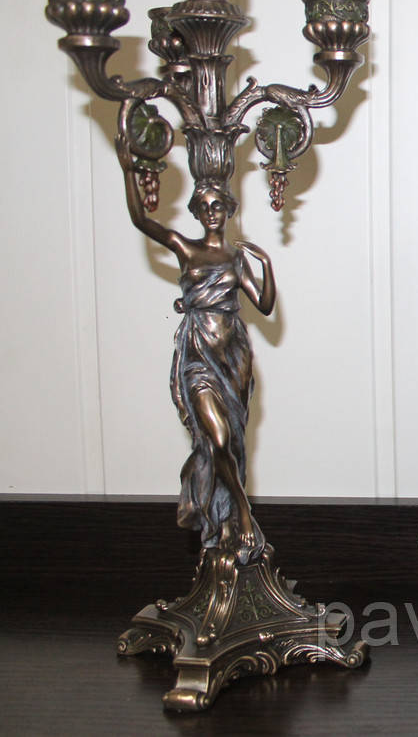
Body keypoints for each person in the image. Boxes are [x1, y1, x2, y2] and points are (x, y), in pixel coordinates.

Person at [122, 160, 275, 564]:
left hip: (233, 357)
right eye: (203, 206)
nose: (211, 211)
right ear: (195, 211)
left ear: (228, 208)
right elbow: (140, 219)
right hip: (198, 357)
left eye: (217, 204)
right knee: (218, 439)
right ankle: (243, 514)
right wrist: (127, 169)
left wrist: (265, 264)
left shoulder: (235, 259)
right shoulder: (185, 248)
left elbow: (264, 305)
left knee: (233, 442)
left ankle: (228, 522)